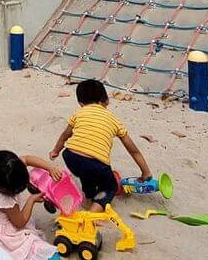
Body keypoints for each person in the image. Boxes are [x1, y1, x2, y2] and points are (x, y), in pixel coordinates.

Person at [49, 78, 152, 211]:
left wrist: (55, 151)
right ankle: (93, 214)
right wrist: (146, 172)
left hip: (70, 156)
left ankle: (88, 198)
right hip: (96, 164)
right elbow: (133, 151)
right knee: (110, 187)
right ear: (107, 100)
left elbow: (65, 135)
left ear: (81, 103)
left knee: (86, 174)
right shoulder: (114, 120)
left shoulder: (79, 113)